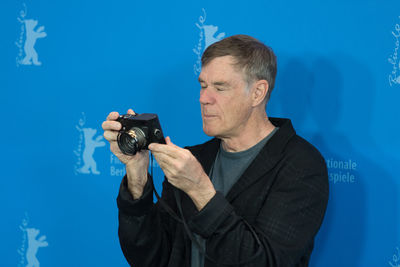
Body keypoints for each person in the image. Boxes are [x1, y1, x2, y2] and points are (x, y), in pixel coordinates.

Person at [102, 34, 329, 267]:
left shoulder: (301, 165)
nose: (203, 98)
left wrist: (200, 190)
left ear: (258, 93)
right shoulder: (195, 158)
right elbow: (151, 257)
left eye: (220, 88)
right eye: (203, 85)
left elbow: (266, 262)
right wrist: (137, 176)